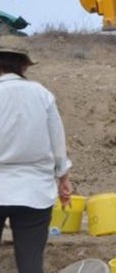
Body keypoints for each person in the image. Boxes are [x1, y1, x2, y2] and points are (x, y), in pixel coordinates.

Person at [0, 36, 73, 273]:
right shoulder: (42, 94)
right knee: (31, 264)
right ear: (23, 67)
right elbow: (57, 142)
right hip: (35, 190)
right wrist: (63, 178)